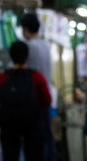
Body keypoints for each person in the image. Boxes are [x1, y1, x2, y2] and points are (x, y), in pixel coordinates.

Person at [0, 41, 51, 161]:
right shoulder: (37, 77)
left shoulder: (3, 78)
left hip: (9, 126)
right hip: (33, 125)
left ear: (11, 56)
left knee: (10, 156)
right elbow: (47, 101)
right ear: (27, 56)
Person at [21, 13, 57, 161]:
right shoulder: (45, 45)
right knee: (46, 136)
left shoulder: (30, 47)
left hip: (33, 101)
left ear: (25, 29)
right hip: (45, 98)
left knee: (36, 142)